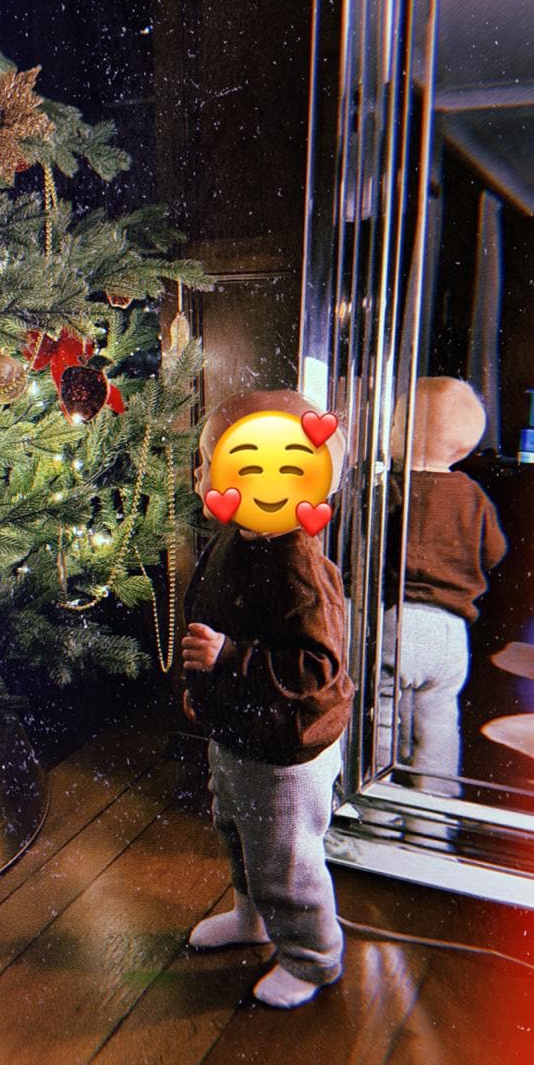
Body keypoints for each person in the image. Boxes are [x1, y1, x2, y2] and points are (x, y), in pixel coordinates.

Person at [182, 389, 354, 1009]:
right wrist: (203, 692)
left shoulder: (298, 569)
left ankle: (312, 958)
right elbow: (209, 621)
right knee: (236, 830)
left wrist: (230, 658)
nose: (199, 474)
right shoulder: (238, 537)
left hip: (286, 749)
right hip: (240, 733)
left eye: (211, 462)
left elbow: (316, 668)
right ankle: (250, 919)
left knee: (284, 860)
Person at [373, 377, 507, 834]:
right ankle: (432, 824)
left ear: (407, 434)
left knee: (383, 720)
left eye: (393, 422)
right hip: (451, 633)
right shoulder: (473, 495)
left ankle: (378, 819)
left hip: (399, 621)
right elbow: (495, 552)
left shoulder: (392, 488)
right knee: (438, 724)